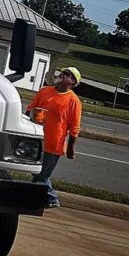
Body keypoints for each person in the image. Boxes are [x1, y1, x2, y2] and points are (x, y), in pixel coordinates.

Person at [27, 66, 82, 209]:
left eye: (66, 74)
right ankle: (38, 200)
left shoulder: (73, 101)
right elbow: (30, 109)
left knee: (42, 175)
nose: (61, 75)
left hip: (54, 144)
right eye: (62, 73)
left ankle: (51, 198)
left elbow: (74, 128)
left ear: (72, 81)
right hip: (36, 140)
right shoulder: (45, 91)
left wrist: (71, 149)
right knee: (36, 172)